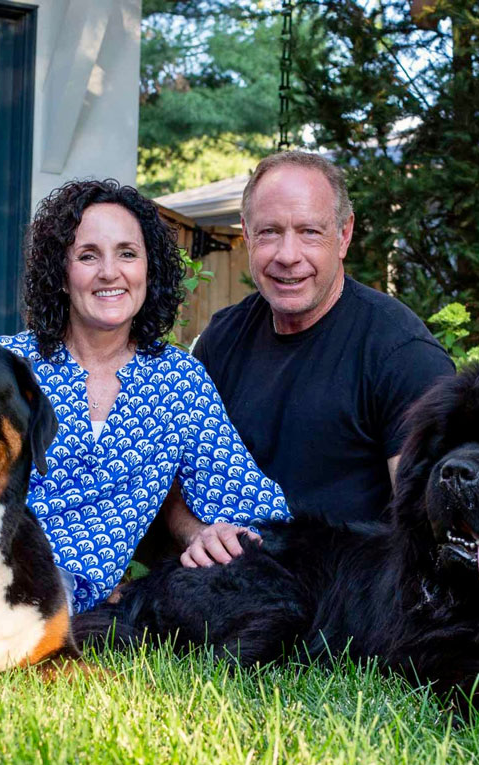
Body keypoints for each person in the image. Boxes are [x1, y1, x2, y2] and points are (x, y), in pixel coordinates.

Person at [0, 179, 291, 612]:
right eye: (88, 255)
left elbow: (255, 510)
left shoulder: (179, 383)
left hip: (68, 601)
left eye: (128, 254)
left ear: (148, 270)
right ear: (60, 271)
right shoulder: (2, 367)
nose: (109, 272)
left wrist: (208, 533)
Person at [176, 151, 453, 531]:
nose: (288, 256)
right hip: (233, 579)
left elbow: (428, 529)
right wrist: (196, 534)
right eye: (270, 232)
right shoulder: (221, 340)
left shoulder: (402, 356)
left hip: (346, 585)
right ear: (246, 234)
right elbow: (171, 480)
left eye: (309, 232)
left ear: (343, 234)